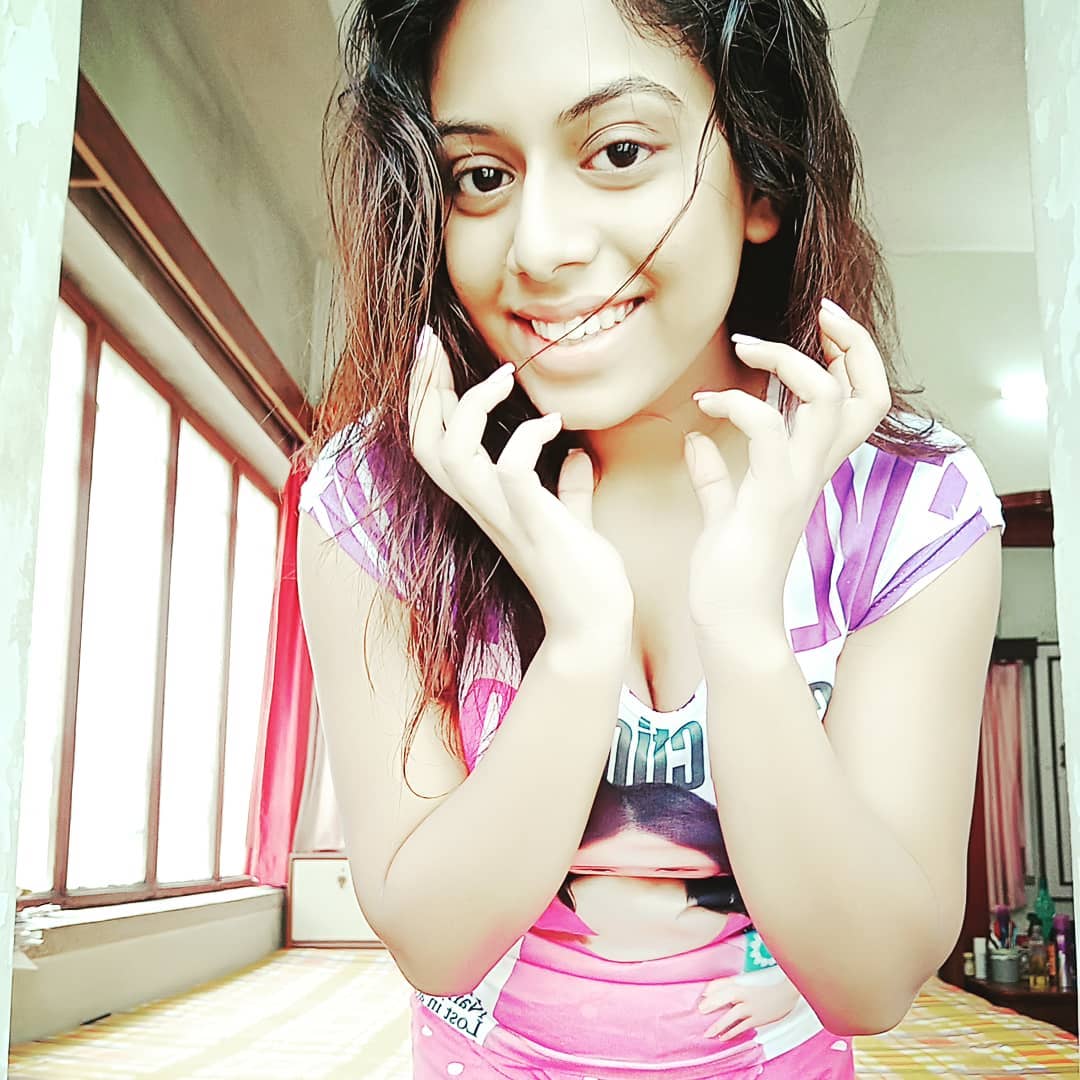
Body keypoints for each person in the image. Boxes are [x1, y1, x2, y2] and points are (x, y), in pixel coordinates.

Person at [296, 0, 1005, 1075]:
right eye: (481, 176)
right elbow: (435, 943)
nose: (539, 246)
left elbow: (869, 982)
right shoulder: (378, 498)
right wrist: (582, 647)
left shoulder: (911, 506)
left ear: (762, 179)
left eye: (619, 153)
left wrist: (746, 635)